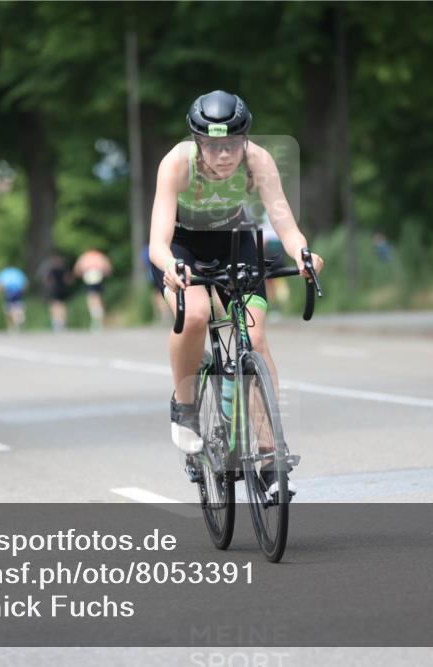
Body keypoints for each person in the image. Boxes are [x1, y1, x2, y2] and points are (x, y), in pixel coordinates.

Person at [147, 90, 324, 497]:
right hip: (182, 246)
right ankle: (186, 405)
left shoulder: (257, 160)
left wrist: (303, 253)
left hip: (234, 240)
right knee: (193, 315)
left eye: (232, 144)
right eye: (212, 145)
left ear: (244, 139)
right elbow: (157, 241)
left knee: (256, 339)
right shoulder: (176, 164)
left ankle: (268, 456)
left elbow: (283, 219)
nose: (223, 154)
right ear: (198, 142)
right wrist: (171, 268)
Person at [73, 248, 112, 332]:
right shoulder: (101, 257)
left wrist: (83, 272)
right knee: (98, 299)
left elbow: (76, 270)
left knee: (91, 299)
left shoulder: (85, 257)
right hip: (98, 278)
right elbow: (108, 269)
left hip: (89, 279)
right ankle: (99, 320)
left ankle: (95, 320)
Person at [39, 252, 71, 332]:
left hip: (55, 289)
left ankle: (57, 322)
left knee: (55, 305)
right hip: (63, 288)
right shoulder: (63, 269)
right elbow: (68, 279)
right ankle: (63, 322)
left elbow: (47, 279)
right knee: (63, 305)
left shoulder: (52, 269)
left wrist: (48, 285)